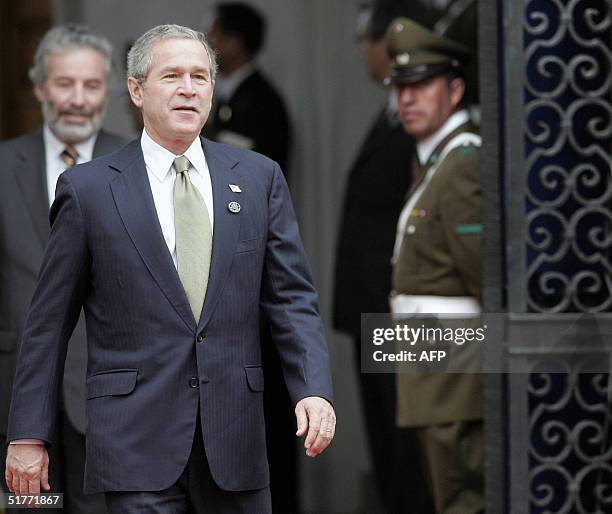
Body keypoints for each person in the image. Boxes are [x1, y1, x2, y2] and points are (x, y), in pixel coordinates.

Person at [5, 24, 335, 514]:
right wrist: (29, 434)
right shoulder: (88, 189)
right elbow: (48, 322)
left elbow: (291, 299)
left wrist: (312, 389)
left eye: (200, 76)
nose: (188, 88)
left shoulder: (258, 177)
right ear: (136, 91)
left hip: (235, 439)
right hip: (134, 442)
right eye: (172, 76)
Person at [0, 24, 126, 514]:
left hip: (113, 399)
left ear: (113, 91)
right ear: (39, 88)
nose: (77, 99)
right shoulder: (3, 166)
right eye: (64, 84)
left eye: (91, 86)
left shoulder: (141, 166)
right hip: (15, 402)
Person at [333, 3, 433, 513]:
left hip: (400, 312)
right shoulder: (394, 108)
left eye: (363, 39)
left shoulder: (422, 115)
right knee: (389, 446)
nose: (361, 51)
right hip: (375, 311)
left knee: (409, 450)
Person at [386, 17, 484, 514]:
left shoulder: (463, 161)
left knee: (465, 499)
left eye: (421, 85)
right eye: (401, 87)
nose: (407, 97)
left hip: (457, 371)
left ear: (456, 89)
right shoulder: (436, 159)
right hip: (434, 368)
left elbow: (485, 277)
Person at [206, 4, 296, 510]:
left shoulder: (261, 103)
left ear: (235, 42)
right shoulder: (222, 103)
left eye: (215, 31)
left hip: (251, 272)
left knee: (263, 406)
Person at [205, 2, 291, 173]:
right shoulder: (231, 94)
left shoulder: (262, 101)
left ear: (235, 43)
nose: (206, 44)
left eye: (213, 35)